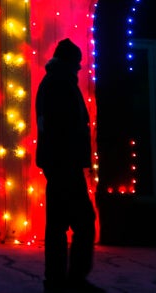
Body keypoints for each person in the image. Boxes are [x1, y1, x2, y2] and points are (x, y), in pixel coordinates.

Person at [36, 38, 102, 292]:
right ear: (68, 62)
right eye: (77, 64)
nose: (79, 69)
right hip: (65, 163)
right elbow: (66, 126)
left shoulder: (52, 83)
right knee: (83, 221)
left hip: (58, 163)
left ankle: (57, 280)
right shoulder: (60, 84)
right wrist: (76, 158)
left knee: (58, 224)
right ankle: (73, 279)